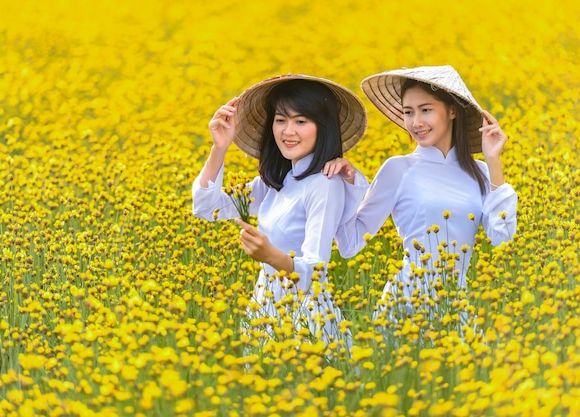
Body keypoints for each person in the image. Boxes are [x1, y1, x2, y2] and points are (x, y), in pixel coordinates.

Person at [323, 65, 517, 327]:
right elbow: (350, 244)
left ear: (451, 111)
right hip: (405, 306)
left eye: (426, 110)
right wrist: (347, 185)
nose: (416, 122)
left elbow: (502, 238)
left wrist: (493, 161)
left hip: (455, 307)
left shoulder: (481, 173)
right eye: (408, 112)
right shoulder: (398, 169)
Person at [192, 74, 367, 351]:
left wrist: (270, 256)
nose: (288, 131)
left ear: (323, 127)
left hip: (305, 321)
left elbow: (315, 271)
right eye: (280, 120)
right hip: (265, 310)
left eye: (301, 121)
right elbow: (206, 208)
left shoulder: (324, 184)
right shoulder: (277, 180)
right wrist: (219, 148)